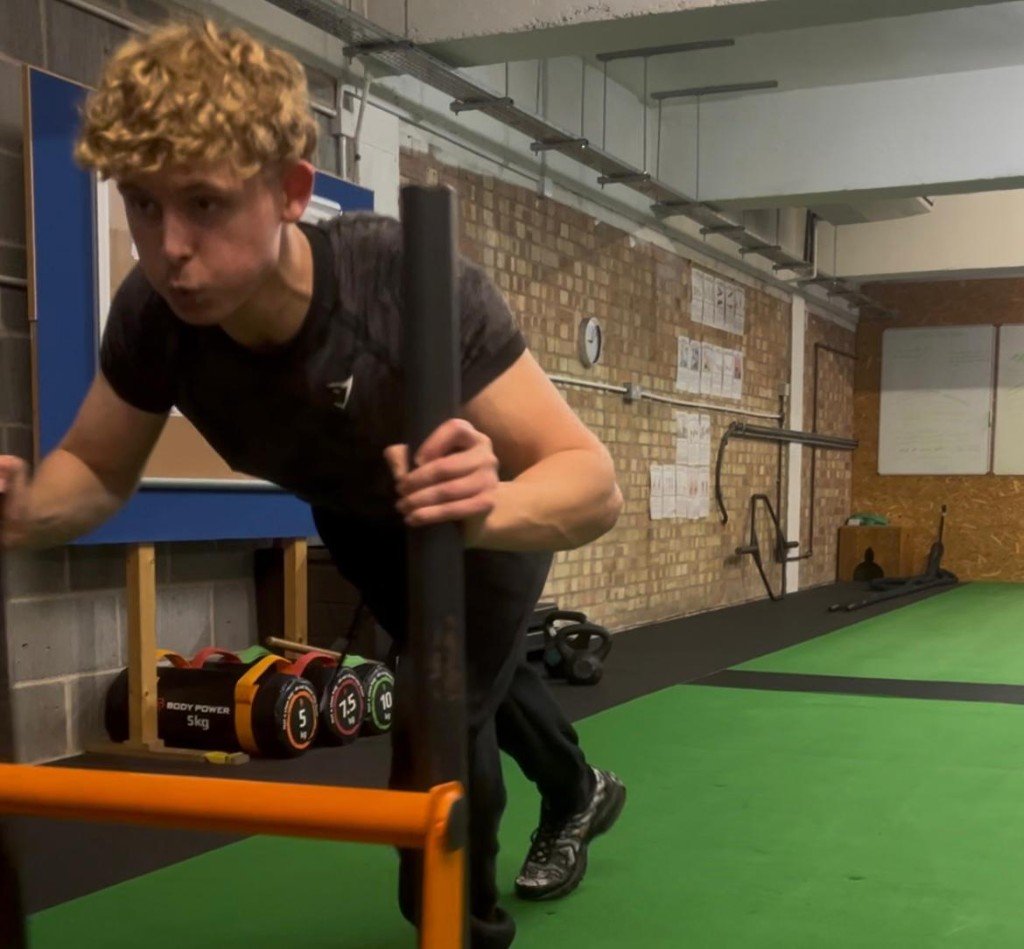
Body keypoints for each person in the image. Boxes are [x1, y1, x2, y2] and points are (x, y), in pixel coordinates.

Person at [0, 20, 625, 948]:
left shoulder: (400, 286)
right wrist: (15, 508)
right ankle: (578, 784)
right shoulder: (155, 318)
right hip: (360, 521)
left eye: (204, 205)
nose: (168, 248)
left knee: (435, 719)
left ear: (293, 191)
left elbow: (590, 482)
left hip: (472, 527)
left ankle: (464, 927)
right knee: (453, 679)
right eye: (141, 205)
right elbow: (93, 471)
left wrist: (483, 508)